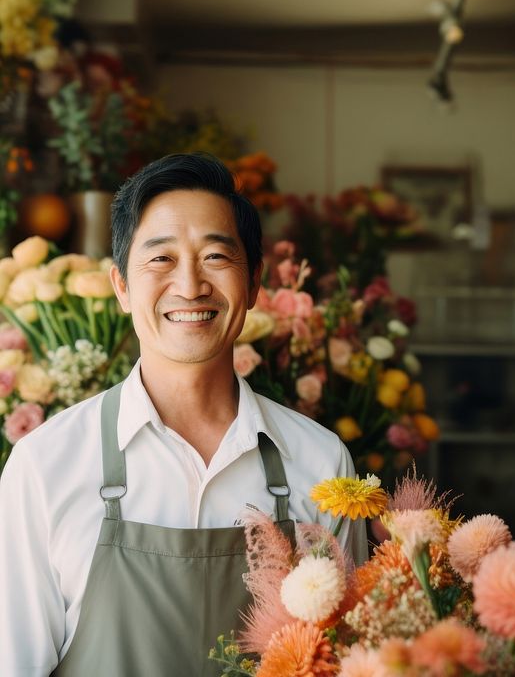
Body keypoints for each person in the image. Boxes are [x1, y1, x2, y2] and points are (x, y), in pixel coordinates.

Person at [0, 153, 368, 676]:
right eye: (161, 259)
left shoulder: (321, 462)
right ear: (122, 286)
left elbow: (347, 659)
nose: (190, 285)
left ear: (255, 281)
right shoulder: (45, 465)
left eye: (216, 257)